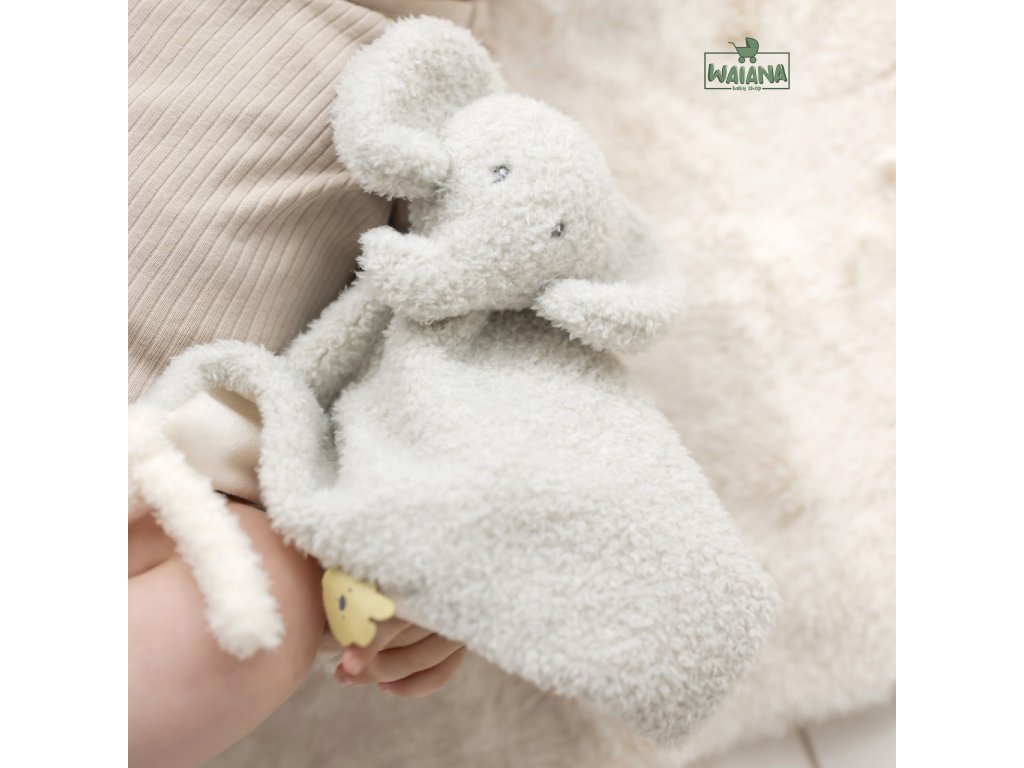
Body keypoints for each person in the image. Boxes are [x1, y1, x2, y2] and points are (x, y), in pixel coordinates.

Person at [128, 1, 478, 764]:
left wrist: (424, 550)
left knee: (264, 588)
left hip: (148, 476)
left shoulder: (442, 102)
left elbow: (451, 361)